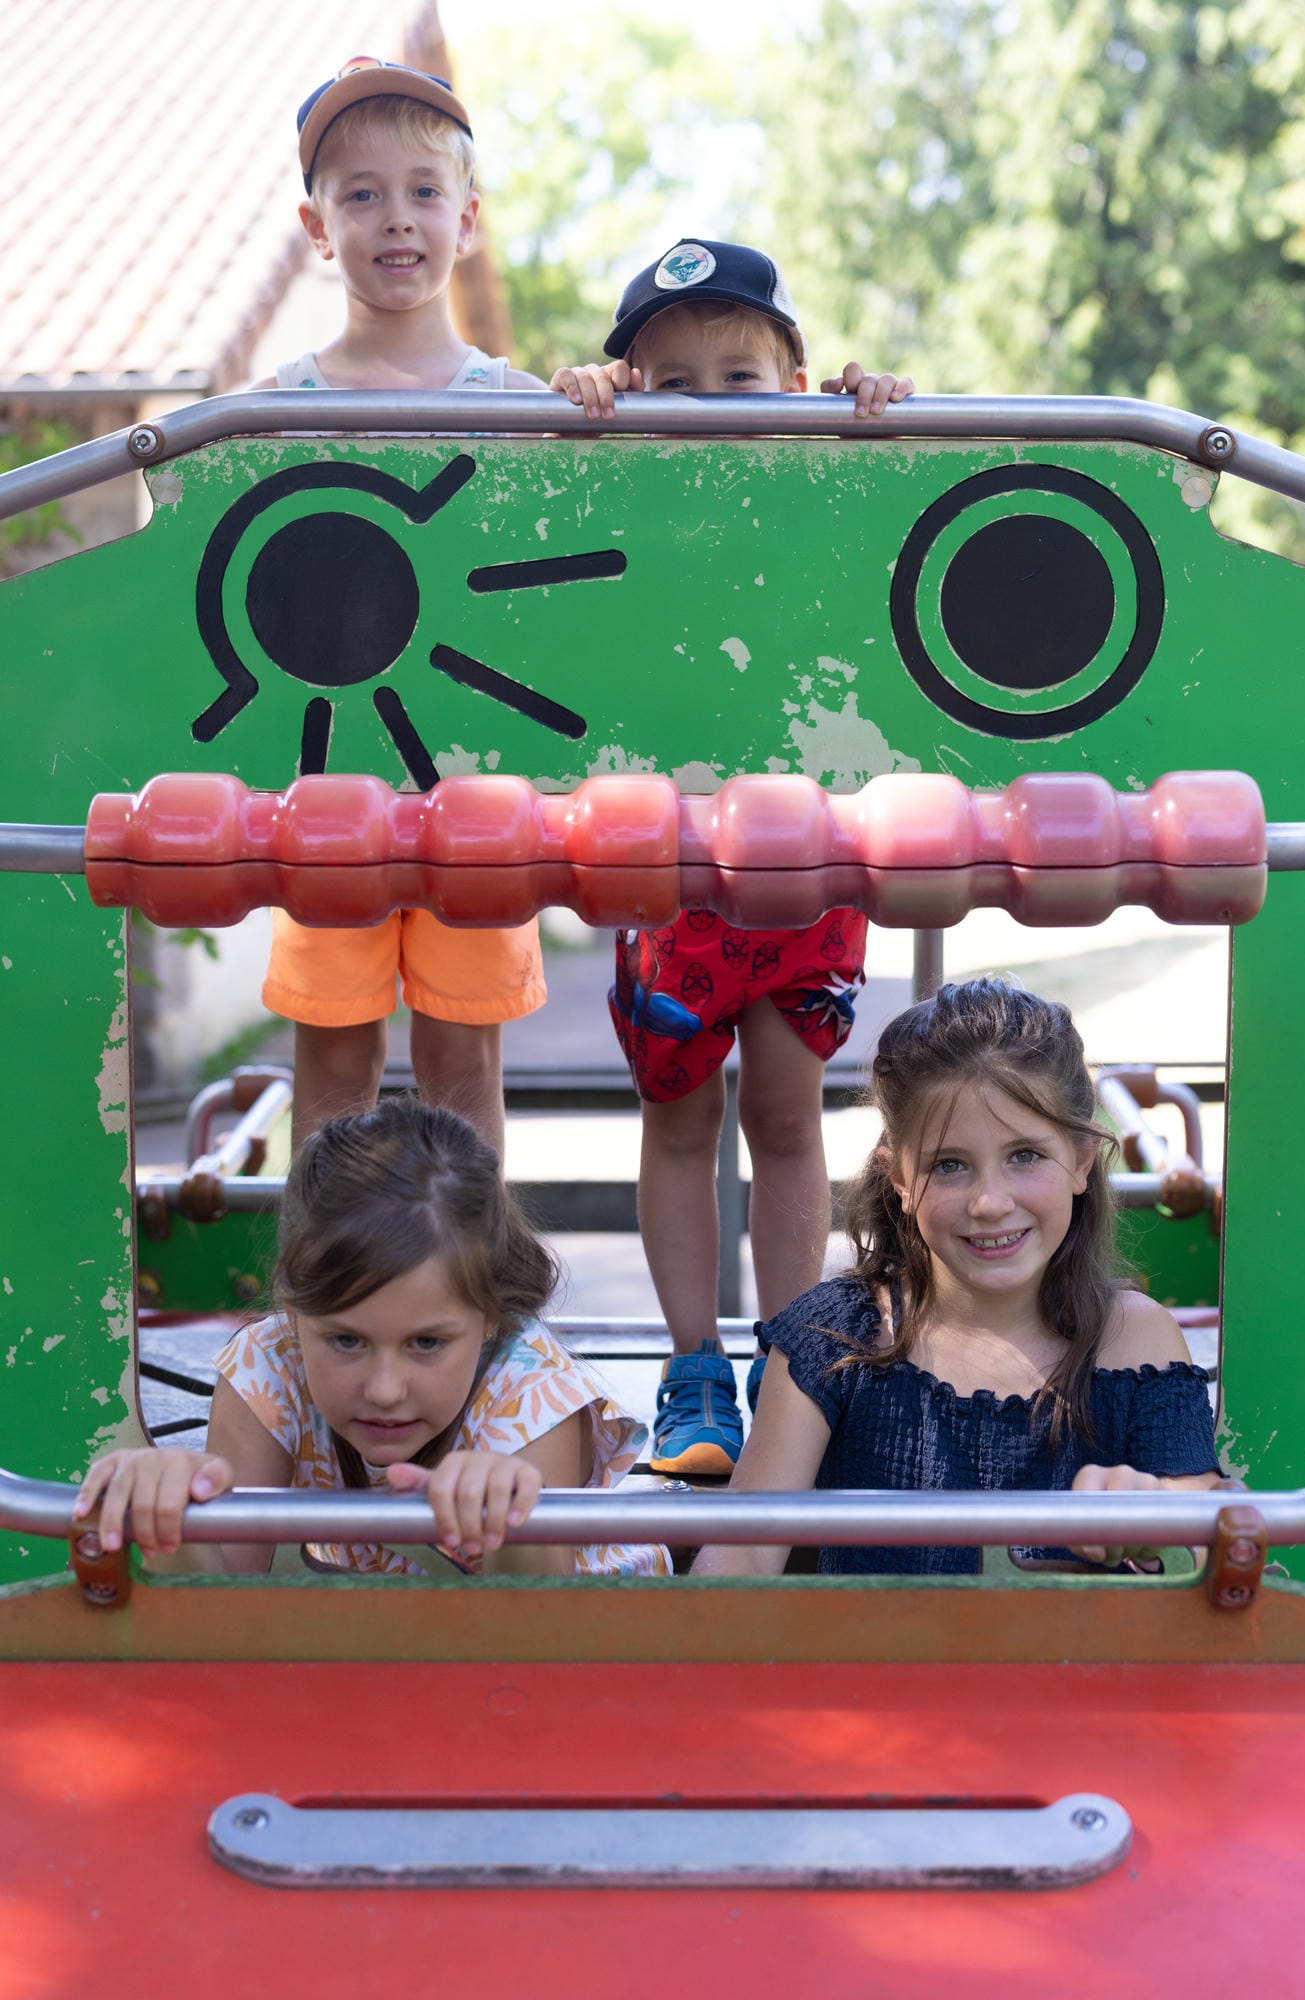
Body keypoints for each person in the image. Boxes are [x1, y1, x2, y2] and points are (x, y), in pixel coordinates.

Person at [550, 239, 913, 1477]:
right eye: (670, 382)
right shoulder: (623, 485)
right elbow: (546, 524)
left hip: (806, 864)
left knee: (788, 1112)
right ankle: (693, 1360)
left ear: (797, 378)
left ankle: (783, 1356)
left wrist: (876, 416)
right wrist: (582, 413)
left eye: (740, 377)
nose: (705, 406)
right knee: (675, 1117)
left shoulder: (821, 474)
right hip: (672, 869)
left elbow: (905, 523)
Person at [255, 58, 549, 1150]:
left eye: (423, 191)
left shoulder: (523, 406)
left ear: (465, 220)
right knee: (334, 1056)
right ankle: (322, 1301)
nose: (395, 218)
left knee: (462, 1053)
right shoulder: (266, 413)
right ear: (317, 226)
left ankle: (466, 1301)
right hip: (329, 776)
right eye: (361, 193)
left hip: (474, 781)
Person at [691, 979, 1225, 1577]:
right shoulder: (833, 1339)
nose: (990, 1202)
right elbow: (742, 1549)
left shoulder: (1134, 1339)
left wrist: (1153, 1512)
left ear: (1080, 1160)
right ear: (897, 1177)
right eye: (950, 1165)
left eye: (1025, 1155)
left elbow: (1204, 1541)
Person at [74, 1096, 667, 1579]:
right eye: (346, 1341)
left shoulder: (532, 1395)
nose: (384, 1390)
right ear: (293, 1307)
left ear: (491, 1312)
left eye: (427, 1344)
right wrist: (170, 1517)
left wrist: (510, 1522)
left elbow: (535, 1628)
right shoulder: (270, 1366)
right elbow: (220, 1601)